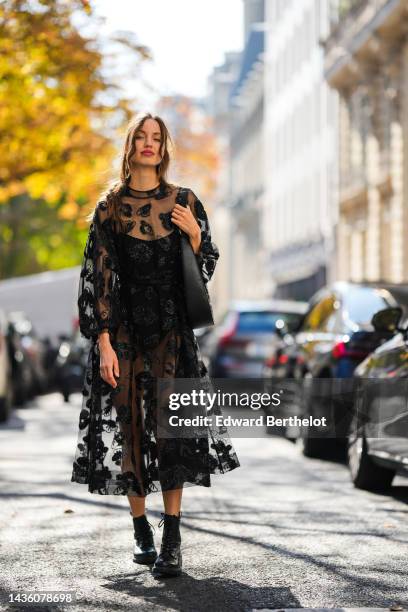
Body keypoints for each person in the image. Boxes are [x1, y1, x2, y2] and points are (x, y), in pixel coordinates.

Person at [71, 112, 240, 577]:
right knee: (131, 429)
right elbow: (97, 279)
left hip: (171, 333)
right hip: (123, 335)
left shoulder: (185, 200)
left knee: (172, 433)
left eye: (157, 138)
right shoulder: (109, 207)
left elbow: (203, 267)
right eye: (142, 137)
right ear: (131, 146)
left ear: (164, 148)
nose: (149, 144)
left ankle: (172, 536)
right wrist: (103, 342)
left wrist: (195, 234)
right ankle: (140, 527)